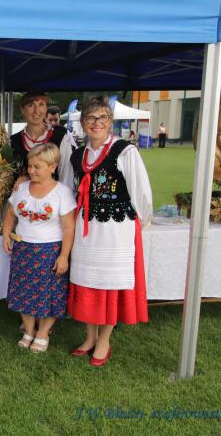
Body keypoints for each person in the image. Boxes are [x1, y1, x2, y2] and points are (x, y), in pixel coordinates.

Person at [62, 96, 153, 367]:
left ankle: (104, 340)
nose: (96, 123)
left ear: (110, 121)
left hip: (116, 228)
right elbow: (68, 190)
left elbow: (141, 192)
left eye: (102, 118)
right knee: (87, 280)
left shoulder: (125, 151)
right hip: (85, 229)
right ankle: (90, 337)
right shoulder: (77, 155)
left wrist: (139, 223)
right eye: (90, 118)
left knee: (109, 281)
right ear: (83, 123)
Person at [2, 144, 76, 353]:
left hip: (50, 250)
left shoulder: (62, 192)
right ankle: (28, 331)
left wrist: (64, 256)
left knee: (49, 293)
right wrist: (6, 233)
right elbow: (10, 213)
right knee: (23, 291)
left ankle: (43, 332)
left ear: (52, 167)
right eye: (29, 166)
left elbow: (69, 227)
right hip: (23, 249)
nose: (31, 170)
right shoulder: (22, 188)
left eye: (37, 167)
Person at [10, 92, 75, 190]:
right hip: (21, 198)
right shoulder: (13, 141)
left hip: (54, 197)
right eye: (31, 105)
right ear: (22, 109)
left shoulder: (61, 138)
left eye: (41, 104)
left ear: (46, 109)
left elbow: (67, 178)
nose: (36, 110)